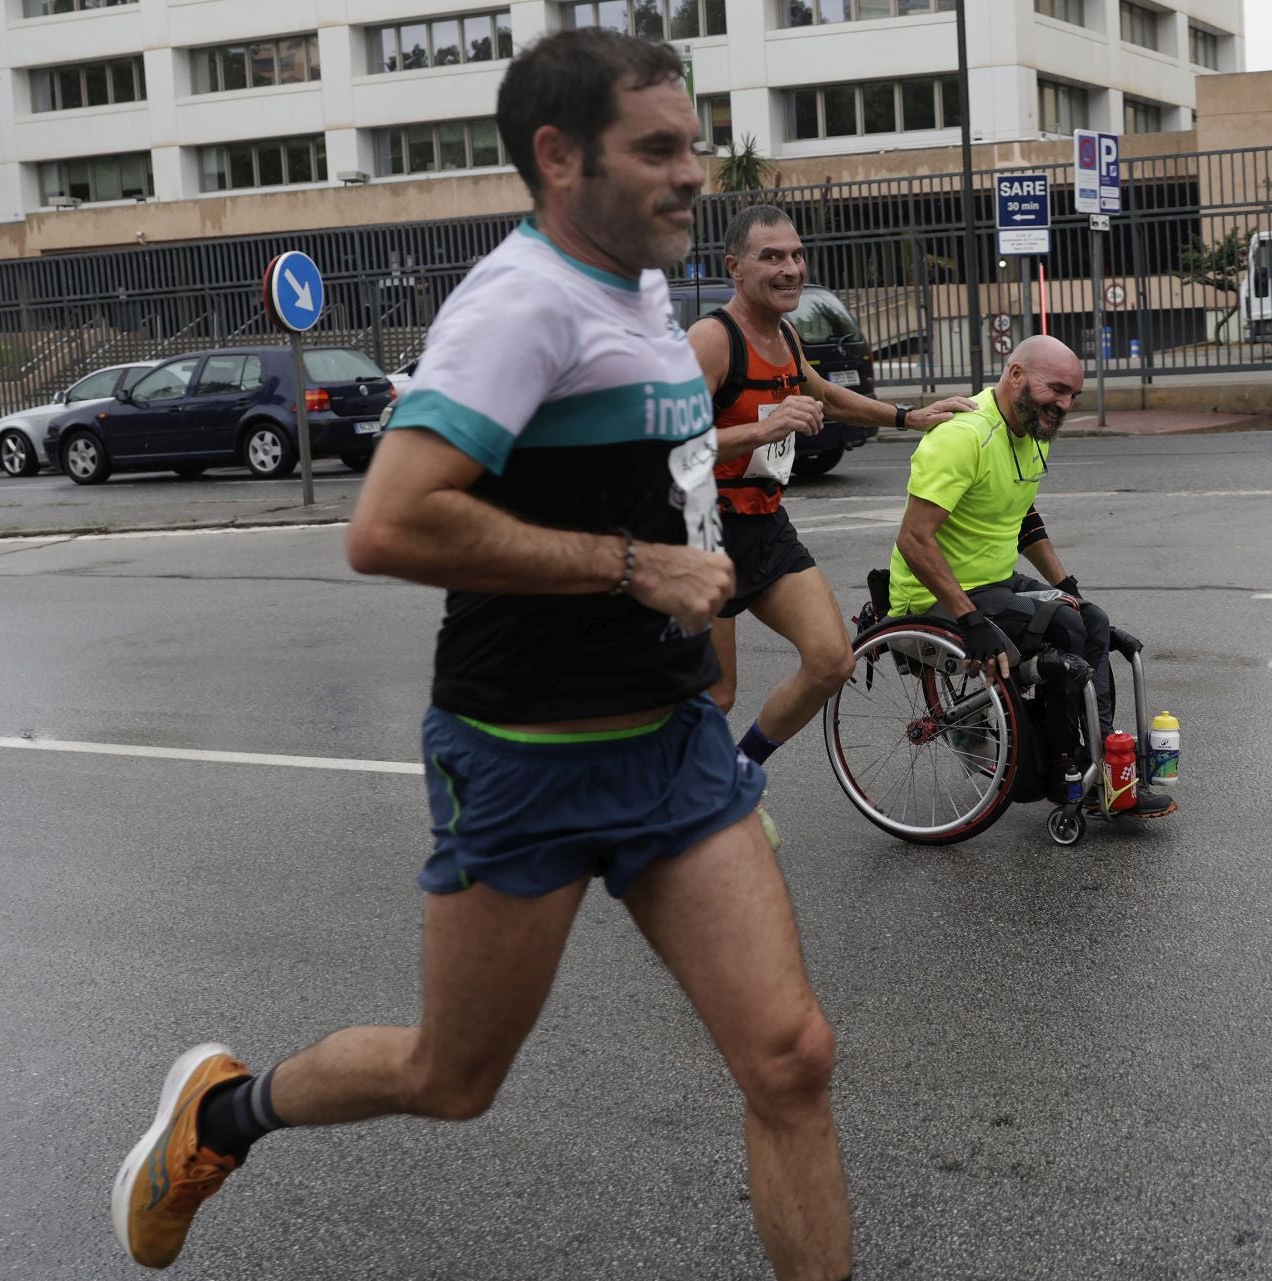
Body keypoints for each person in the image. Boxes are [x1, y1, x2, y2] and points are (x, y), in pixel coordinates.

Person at [110, 30, 853, 1280]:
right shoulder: (520, 304)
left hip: (670, 745)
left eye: (697, 144)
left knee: (791, 1058)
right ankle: (220, 1117)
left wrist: (696, 545)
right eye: (658, 149)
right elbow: (390, 522)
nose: (692, 175)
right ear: (558, 158)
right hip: (528, 754)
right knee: (450, 1079)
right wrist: (637, 568)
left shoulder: (635, 280)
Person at [689, 205, 976, 767]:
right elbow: (668, 448)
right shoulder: (711, 340)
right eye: (771, 256)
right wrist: (763, 429)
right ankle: (668, 802)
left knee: (831, 660)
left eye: (796, 254)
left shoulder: (787, 335)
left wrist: (908, 417)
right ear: (735, 268)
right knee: (716, 695)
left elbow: (828, 396)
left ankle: (739, 773)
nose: (791, 268)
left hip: (766, 528)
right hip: (705, 535)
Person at [886, 334, 1175, 819]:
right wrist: (969, 617)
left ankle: (1107, 764)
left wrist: (1067, 588)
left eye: (1072, 397)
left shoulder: (1030, 432)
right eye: (1056, 389)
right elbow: (914, 541)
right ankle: (1067, 772)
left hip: (995, 582)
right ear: (1015, 374)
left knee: (1092, 619)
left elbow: (1023, 519)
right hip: (932, 598)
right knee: (1063, 631)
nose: (1063, 404)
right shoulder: (964, 436)